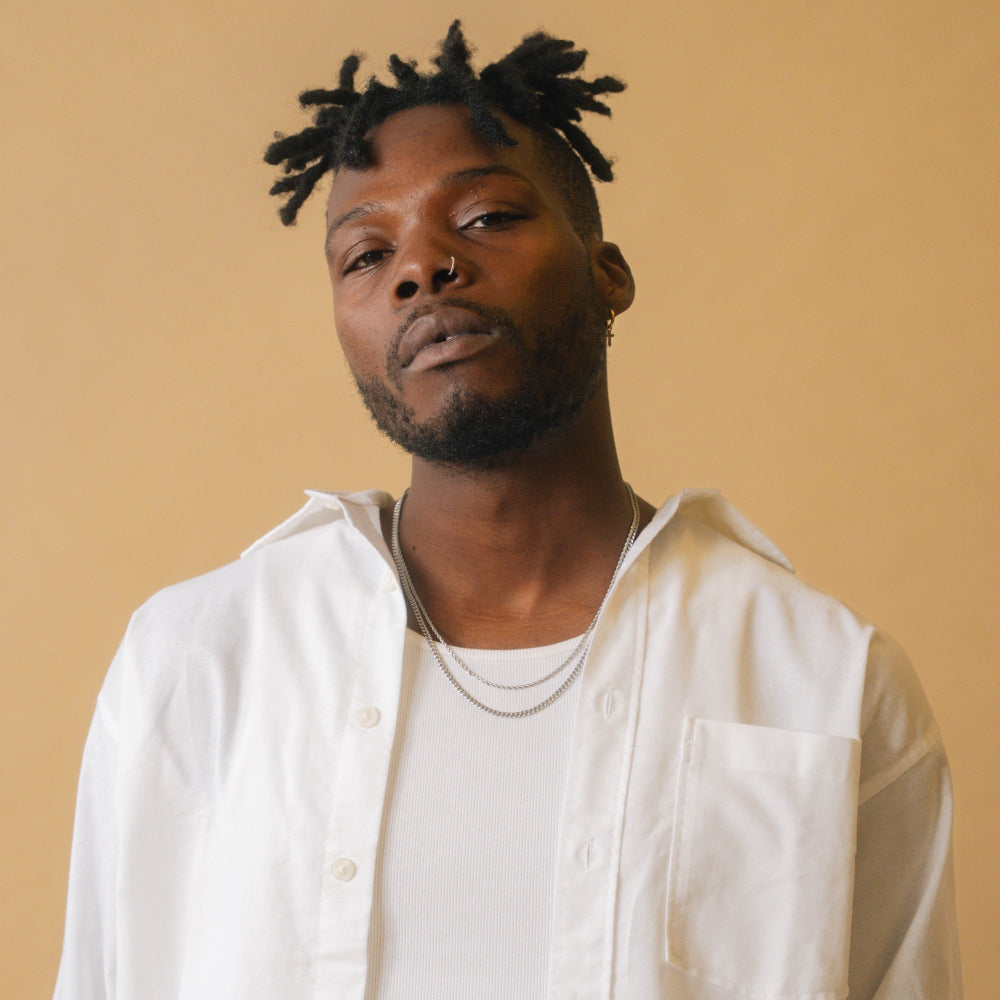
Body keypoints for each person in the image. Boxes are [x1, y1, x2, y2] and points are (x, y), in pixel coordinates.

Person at [54, 21, 961, 1000]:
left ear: (607, 273)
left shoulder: (825, 677)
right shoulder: (196, 660)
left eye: (484, 216)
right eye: (364, 254)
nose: (420, 267)